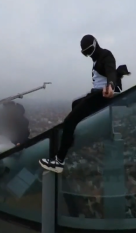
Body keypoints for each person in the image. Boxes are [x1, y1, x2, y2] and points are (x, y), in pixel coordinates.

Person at [39, 34, 128, 173]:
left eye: (88, 51)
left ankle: (59, 161)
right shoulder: (97, 58)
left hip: (102, 95)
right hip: (97, 93)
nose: (88, 55)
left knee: (69, 121)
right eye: (85, 53)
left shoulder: (106, 55)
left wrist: (111, 85)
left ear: (95, 45)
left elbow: (111, 70)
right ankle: (70, 138)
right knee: (75, 104)